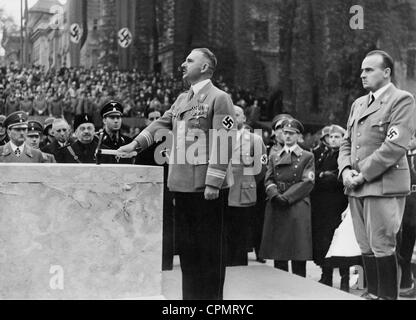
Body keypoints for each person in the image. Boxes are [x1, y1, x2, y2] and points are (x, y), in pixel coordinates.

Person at [117, 48, 236, 300]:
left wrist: (214, 182)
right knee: (189, 255)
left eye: (190, 60)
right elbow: (161, 123)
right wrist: (135, 144)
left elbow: (224, 140)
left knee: (210, 255)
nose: (183, 64)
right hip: (181, 186)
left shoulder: (219, 98)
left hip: (206, 190)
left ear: (205, 67)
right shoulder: (182, 99)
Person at [338, 50, 416, 300]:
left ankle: (387, 297)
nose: (362, 74)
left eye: (369, 69)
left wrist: (361, 174)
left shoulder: (402, 100)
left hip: (384, 184)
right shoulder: (359, 103)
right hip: (356, 185)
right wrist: (345, 170)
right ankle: (372, 294)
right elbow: (346, 143)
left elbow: (394, 146)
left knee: (383, 244)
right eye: (362, 70)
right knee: (365, 246)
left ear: (386, 72)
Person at [260, 118, 315, 277]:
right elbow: (268, 178)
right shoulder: (274, 156)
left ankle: (299, 286)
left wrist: (287, 198)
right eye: (285, 133)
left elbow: (308, 181)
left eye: (292, 133)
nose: (288, 136)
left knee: (298, 249)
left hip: (297, 202)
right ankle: (281, 285)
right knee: (279, 250)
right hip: (277, 202)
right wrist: (275, 195)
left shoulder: (307, 156)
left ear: (298, 136)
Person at [226, 106, 266, 266]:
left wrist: (250, 181)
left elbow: (261, 166)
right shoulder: (221, 137)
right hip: (225, 189)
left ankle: (239, 261)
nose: (234, 118)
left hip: (244, 189)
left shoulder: (255, 140)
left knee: (241, 227)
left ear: (244, 118)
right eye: (231, 115)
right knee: (226, 227)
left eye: (237, 115)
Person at [310, 124, 349, 291]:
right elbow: (313, 175)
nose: (333, 140)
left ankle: (346, 279)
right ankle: (325, 274)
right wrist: (324, 176)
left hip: (339, 205)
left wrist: (327, 177)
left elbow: (341, 178)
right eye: (330, 137)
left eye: (337, 137)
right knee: (323, 240)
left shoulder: (346, 156)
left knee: (341, 242)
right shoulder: (320, 154)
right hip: (321, 205)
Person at [136, 106, 174, 271]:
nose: (155, 122)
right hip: (148, 190)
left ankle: (166, 262)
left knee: (167, 225)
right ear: (146, 121)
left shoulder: (171, 141)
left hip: (167, 188)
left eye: (158, 118)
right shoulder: (140, 143)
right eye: (151, 119)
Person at [397, 135, 416, 298]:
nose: (409, 140)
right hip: (407, 203)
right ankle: (406, 281)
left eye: (412, 137)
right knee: (405, 246)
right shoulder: (402, 155)